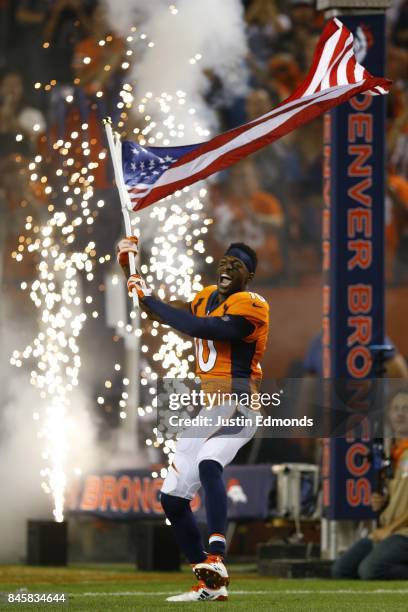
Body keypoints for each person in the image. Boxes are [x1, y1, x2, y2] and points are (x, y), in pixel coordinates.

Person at [117, 237, 269, 602]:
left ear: (250, 276)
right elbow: (165, 314)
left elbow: (208, 330)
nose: (229, 266)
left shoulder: (253, 305)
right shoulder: (204, 298)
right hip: (209, 411)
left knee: (207, 462)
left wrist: (151, 299)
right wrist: (131, 272)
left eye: (238, 264)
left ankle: (217, 556)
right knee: (170, 498)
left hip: (238, 404)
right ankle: (209, 584)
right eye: (226, 261)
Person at [332, 389, 408, 580]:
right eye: (396, 409)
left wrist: (389, 530)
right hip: (388, 530)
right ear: (389, 415)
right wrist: (382, 501)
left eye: (406, 409)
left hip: (401, 532)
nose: (400, 414)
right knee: (342, 569)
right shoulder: (387, 451)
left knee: (371, 570)